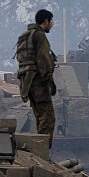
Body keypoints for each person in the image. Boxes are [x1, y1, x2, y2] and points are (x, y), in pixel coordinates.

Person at [16, 9, 58, 146]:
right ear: (45, 21)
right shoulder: (40, 36)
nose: (51, 24)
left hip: (26, 83)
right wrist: (49, 81)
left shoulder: (26, 36)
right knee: (48, 117)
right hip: (38, 82)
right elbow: (44, 60)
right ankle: (42, 150)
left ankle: (39, 149)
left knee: (40, 116)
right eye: (50, 21)